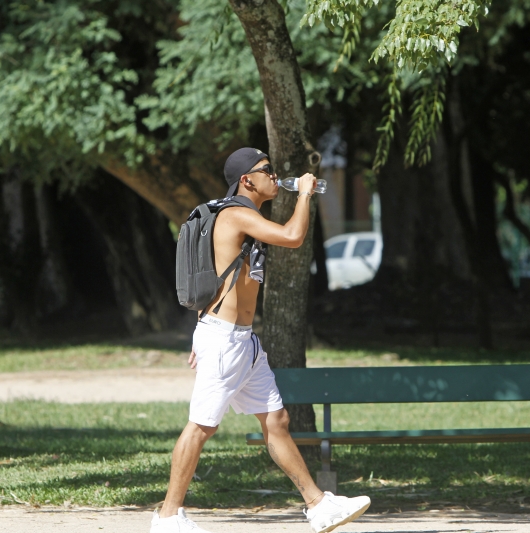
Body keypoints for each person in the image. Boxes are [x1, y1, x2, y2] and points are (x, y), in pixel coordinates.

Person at [151, 148, 370, 533]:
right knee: (201, 426)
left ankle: (318, 506)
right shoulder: (237, 215)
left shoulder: (244, 216)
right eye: (266, 170)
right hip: (224, 342)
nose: (274, 175)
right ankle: (168, 516)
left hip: (241, 342)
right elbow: (293, 236)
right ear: (247, 180)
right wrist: (303, 192)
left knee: (277, 421)